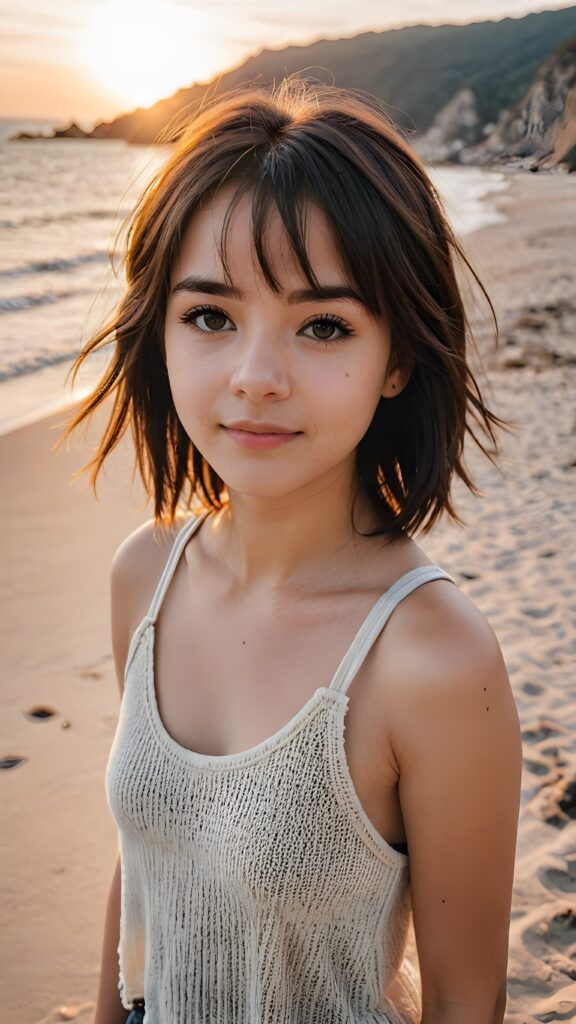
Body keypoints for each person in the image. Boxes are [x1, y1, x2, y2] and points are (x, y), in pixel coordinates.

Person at [60, 78, 523, 1024]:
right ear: (163, 334)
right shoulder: (146, 576)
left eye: (322, 326)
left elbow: (468, 1002)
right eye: (211, 316)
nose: (255, 378)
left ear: (397, 359)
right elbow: (144, 858)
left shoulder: (434, 660)